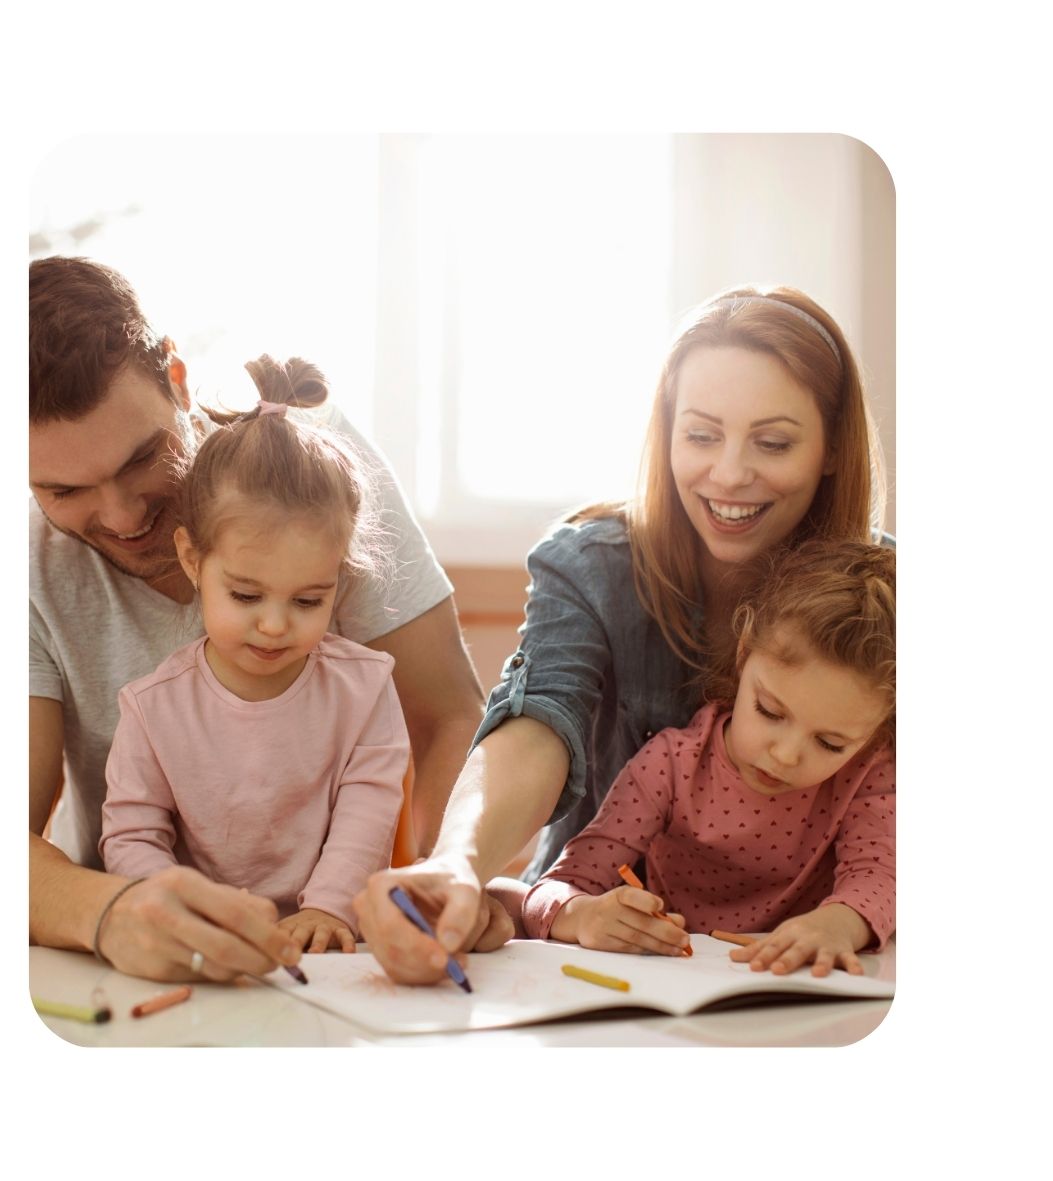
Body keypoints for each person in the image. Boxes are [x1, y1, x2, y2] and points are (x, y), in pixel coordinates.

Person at [353, 284, 891, 985]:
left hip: (797, 976)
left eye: (773, 441)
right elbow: (537, 721)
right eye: (700, 434)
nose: (728, 473)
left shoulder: (885, 600)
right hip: (592, 950)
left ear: (828, 448)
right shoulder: (592, 564)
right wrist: (456, 860)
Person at [30, 256, 495, 984]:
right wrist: (112, 908)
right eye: (62, 489)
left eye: (144, 456)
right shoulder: (24, 563)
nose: (121, 517)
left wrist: (438, 880)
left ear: (177, 380)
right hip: (136, 961)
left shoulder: (312, 465)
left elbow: (448, 715)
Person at [100, 357, 410, 957]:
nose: (274, 625)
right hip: (201, 943)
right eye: (246, 595)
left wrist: (326, 908)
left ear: (337, 580)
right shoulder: (151, 707)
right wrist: (181, 909)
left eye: (308, 599)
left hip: (331, 944)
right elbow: (132, 834)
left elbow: (369, 809)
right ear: (192, 560)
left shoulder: (365, 688)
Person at [522, 539, 894, 979]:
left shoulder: (869, 772)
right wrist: (582, 915)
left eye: (830, 743)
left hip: (800, 993)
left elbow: (881, 876)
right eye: (770, 712)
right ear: (742, 657)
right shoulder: (670, 765)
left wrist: (839, 924)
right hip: (678, 987)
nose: (786, 754)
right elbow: (555, 888)